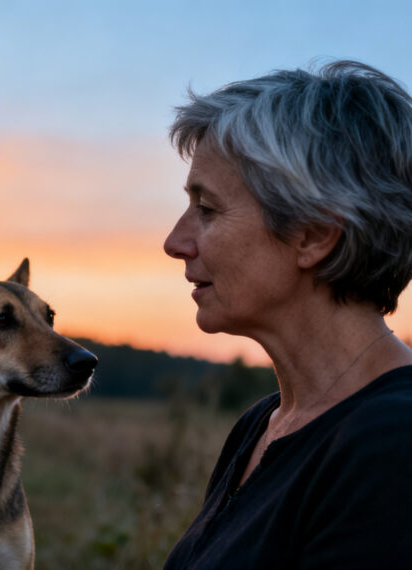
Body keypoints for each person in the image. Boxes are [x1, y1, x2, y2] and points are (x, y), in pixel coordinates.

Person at [162, 60, 412, 569]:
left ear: (313, 235)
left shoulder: (393, 448)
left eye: (207, 209)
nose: (175, 242)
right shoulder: (264, 423)